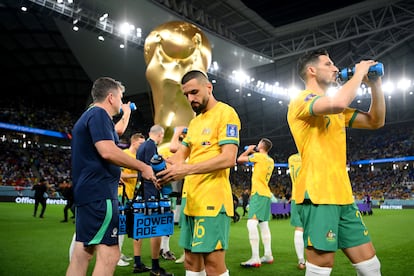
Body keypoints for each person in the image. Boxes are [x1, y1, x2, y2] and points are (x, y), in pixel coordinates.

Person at [287, 49, 385, 275]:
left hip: (343, 195)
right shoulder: (301, 101)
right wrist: (358, 73)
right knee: (320, 269)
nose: (334, 68)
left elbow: (375, 121)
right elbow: (339, 102)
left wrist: (374, 84)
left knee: (371, 267)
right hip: (318, 195)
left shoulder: (335, 107)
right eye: (328, 64)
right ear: (312, 70)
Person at [66, 77, 156, 276]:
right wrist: (144, 167)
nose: (122, 101)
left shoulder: (91, 115)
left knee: (83, 253)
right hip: (100, 194)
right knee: (110, 255)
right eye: (120, 97)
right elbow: (107, 151)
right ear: (110, 97)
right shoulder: (99, 115)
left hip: (88, 193)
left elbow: (116, 132)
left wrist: (127, 113)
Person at [158, 70, 241, 276]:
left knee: (213, 263)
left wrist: (186, 169)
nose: (190, 99)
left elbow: (228, 158)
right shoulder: (194, 123)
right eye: (186, 95)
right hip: (190, 200)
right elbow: (180, 157)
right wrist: (163, 170)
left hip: (212, 200)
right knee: (190, 261)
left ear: (209, 87)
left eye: (194, 92)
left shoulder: (226, 113)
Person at [136, 124, 173, 276]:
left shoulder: (141, 146)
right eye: (162, 136)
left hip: (141, 191)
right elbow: (153, 169)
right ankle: (155, 267)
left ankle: (137, 262)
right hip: (151, 190)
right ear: (159, 135)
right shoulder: (151, 146)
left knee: (140, 226)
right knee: (156, 228)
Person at [237, 139, 275, 267]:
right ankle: (268, 255)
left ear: (261, 146)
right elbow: (260, 160)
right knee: (264, 225)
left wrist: (248, 151)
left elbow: (240, 159)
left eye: (259, 143)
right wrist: (255, 152)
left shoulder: (258, 156)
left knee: (251, 224)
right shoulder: (270, 160)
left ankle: (255, 258)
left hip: (258, 194)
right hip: (266, 194)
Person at [117, 132, 146, 267]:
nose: (142, 146)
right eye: (141, 143)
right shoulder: (124, 154)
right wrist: (138, 174)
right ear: (133, 143)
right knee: (119, 226)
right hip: (120, 194)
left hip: (130, 196)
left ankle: (119, 253)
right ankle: (115, 257)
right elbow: (119, 174)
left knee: (124, 227)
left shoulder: (138, 157)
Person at [287, 153, 306, 270]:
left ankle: (301, 261)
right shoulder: (312, 154)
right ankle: (313, 261)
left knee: (299, 228)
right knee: (314, 229)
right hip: (313, 196)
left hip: (296, 197)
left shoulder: (292, 158)